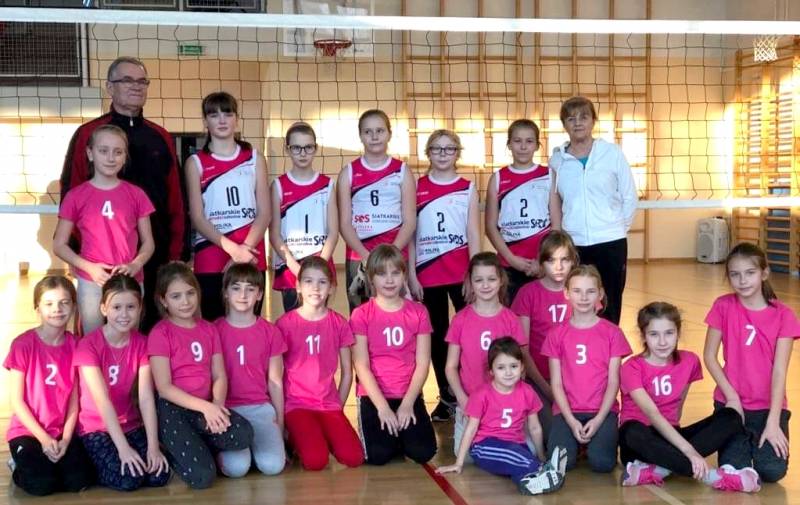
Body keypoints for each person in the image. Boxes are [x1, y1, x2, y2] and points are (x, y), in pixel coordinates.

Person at [60, 56, 185, 333]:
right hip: (98, 265)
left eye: (142, 81)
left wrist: (176, 252)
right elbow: (71, 193)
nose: (136, 86)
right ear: (109, 87)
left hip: (151, 259)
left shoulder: (161, 136)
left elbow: (176, 198)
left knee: (146, 335)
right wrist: (81, 257)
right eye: (127, 80)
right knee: (96, 337)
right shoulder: (88, 134)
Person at [619, 301, 760, 492]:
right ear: (643, 335)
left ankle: (659, 470)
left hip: (670, 436)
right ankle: (714, 477)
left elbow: (676, 410)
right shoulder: (631, 367)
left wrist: (685, 447)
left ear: (678, 333)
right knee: (631, 431)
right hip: (641, 444)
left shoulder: (689, 361)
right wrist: (690, 451)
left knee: (731, 416)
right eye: (654, 334)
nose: (662, 342)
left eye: (669, 333)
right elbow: (653, 414)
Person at [147, 262, 253, 489]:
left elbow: (219, 375)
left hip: (204, 406)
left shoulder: (208, 329)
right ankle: (174, 446)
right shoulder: (160, 333)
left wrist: (217, 406)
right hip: (173, 409)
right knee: (202, 478)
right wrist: (206, 409)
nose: (185, 302)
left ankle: (196, 441)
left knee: (244, 434)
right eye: (176, 296)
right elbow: (164, 388)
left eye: (190, 293)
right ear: (164, 300)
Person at [703, 243, 800, 483]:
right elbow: (709, 356)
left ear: (764, 273)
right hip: (731, 405)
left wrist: (774, 421)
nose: (742, 280)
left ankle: (763, 438)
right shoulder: (723, 306)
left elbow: (779, 371)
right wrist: (731, 398)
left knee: (772, 472)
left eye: (750, 273)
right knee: (734, 467)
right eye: (735, 274)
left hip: (768, 407)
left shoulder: (784, 315)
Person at [53, 124, 155, 335]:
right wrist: (89, 268)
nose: (111, 158)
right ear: (90, 153)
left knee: (129, 338)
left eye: (118, 152)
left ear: (125, 157)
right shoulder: (76, 196)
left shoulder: (136, 194)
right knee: (93, 338)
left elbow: (148, 243)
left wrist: (135, 264)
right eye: (103, 151)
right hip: (92, 279)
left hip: (129, 278)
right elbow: (59, 245)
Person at [408, 129, 480, 422]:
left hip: (461, 273)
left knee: (468, 335)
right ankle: (447, 397)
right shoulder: (416, 187)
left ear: (457, 153)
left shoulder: (467, 187)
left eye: (449, 148)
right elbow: (411, 234)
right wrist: (411, 274)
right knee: (436, 337)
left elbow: (473, 233)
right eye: (436, 148)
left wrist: (475, 275)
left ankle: (472, 392)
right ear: (428, 153)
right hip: (428, 273)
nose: (442, 153)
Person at [437, 337, 567, 496]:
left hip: (515, 444)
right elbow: (471, 429)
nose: (508, 372)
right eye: (501, 367)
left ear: (522, 367)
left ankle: (532, 483)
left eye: (513, 366)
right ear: (491, 371)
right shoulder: (482, 394)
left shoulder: (527, 391)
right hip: (485, 446)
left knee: (520, 462)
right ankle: (546, 470)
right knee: (514, 455)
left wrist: (541, 455)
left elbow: (534, 428)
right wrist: (458, 463)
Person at [75, 274, 170, 491]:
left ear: (140, 309)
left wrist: (153, 447)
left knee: (159, 475)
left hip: (130, 424)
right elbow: (103, 402)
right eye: (116, 307)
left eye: (131, 307)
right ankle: (89, 463)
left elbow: (146, 398)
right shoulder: (88, 346)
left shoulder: (142, 344)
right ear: (103, 309)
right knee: (129, 479)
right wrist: (123, 449)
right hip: (96, 427)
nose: (124, 314)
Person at [549, 96, 637, 325]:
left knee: (610, 302)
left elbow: (629, 196)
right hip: (574, 243)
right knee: (577, 301)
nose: (578, 122)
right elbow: (555, 201)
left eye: (583, 117)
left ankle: (608, 346)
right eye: (571, 118)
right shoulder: (557, 160)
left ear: (593, 121)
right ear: (564, 124)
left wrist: (616, 228)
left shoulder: (612, 153)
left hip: (611, 241)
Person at [4, 276, 95, 496]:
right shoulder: (23, 345)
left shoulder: (76, 345)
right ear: (37, 309)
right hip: (28, 431)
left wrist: (66, 438)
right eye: (49, 303)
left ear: (74, 306)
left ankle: (49, 464)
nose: (57, 309)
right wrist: (44, 440)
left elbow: (74, 400)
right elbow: (17, 401)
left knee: (79, 481)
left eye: (64, 302)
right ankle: (18, 465)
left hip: (61, 430)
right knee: (42, 485)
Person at [186, 91, 270, 321]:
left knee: (248, 325)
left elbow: (265, 212)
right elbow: (197, 217)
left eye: (228, 113)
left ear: (237, 119)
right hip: (211, 255)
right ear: (205, 121)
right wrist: (234, 250)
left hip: (251, 254)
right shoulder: (195, 163)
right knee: (214, 327)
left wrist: (244, 250)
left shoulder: (254, 158)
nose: (222, 120)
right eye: (214, 115)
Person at [351, 245, 436, 465]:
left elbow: (423, 363)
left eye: (395, 273)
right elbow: (361, 365)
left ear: (404, 275)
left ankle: (399, 435)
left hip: (407, 393)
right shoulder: (361, 314)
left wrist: (408, 404)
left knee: (423, 452)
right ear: (371, 278)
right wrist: (383, 408)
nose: (389, 280)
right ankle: (390, 436)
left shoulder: (419, 312)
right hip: (374, 395)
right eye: (381, 274)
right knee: (378, 456)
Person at [278, 256, 365, 471]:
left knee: (353, 458)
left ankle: (321, 434)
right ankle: (295, 437)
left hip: (328, 405)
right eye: (308, 281)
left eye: (322, 282)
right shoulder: (284, 324)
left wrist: (338, 407)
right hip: (296, 405)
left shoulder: (339, 323)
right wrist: (280, 417)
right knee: (316, 461)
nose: (315, 288)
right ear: (298, 286)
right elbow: (275, 375)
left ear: (331, 287)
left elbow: (347, 373)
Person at [542, 265, 631, 472]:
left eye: (590, 291)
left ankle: (591, 442)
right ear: (566, 293)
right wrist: (571, 421)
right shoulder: (556, 334)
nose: (583, 298)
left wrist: (599, 419)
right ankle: (576, 440)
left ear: (600, 293)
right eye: (577, 291)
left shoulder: (612, 333)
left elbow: (613, 382)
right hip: (567, 411)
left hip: (602, 411)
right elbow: (556, 383)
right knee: (562, 464)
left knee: (602, 464)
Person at [444, 252, 529, 455]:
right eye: (478, 280)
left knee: (528, 450)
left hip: (504, 403)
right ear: (470, 283)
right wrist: (463, 400)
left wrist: (512, 400)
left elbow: (521, 366)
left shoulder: (511, 319)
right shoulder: (460, 319)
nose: (485, 285)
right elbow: (450, 367)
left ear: (501, 280)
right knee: (466, 456)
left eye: (491, 279)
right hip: (470, 402)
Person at [338, 109, 416, 311]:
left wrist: (391, 254)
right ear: (360, 135)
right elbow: (344, 224)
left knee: (397, 313)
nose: (374, 136)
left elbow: (410, 221)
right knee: (360, 316)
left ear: (389, 134)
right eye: (368, 131)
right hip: (359, 256)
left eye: (380, 131)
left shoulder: (402, 171)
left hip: (396, 253)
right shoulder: (348, 173)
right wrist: (366, 256)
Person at [215, 263, 286, 477]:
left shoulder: (270, 332)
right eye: (236, 288)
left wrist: (280, 422)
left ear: (259, 295)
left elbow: (275, 381)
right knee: (236, 469)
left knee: (273, 466)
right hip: (228, 410)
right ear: (225, 293)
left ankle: (258, 450)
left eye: (250, 289)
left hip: (261, 409)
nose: (243, 295)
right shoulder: (214, 330)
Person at [511, 230, 578, 437]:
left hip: (575, 380)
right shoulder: (528, 293)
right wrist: (548, 390)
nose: (558, 267)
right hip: (540, 378)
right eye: (551, 260)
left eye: (564, 260)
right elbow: (523, 349)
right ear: (541, 262)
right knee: (554, 435)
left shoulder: (580, 292)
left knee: (581, 431)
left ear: (573, 261)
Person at [485, 119, 558, 306]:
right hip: (509, 264)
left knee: (541, 315)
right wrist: (511, 259)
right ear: (509, 144)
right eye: (517, 141)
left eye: (529, 141)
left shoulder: (548, 175)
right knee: (512, 316)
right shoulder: (498, 178)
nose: (523, 147)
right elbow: (490, 227)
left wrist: (543, 260)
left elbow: (556, 225)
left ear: (537, 145)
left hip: (543, 263)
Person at [271, 122, 338, 313]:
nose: (302, 153)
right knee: (294, 321)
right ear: (287, 149)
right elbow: (274, 234)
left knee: (319, 319)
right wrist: (297, 269)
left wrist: (318, 268)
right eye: (296, 148)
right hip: (291, 269)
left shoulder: (327, 185)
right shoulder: (278, 186)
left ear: (315, 148)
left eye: (308, 147)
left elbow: (333, 232)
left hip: (320, 264)